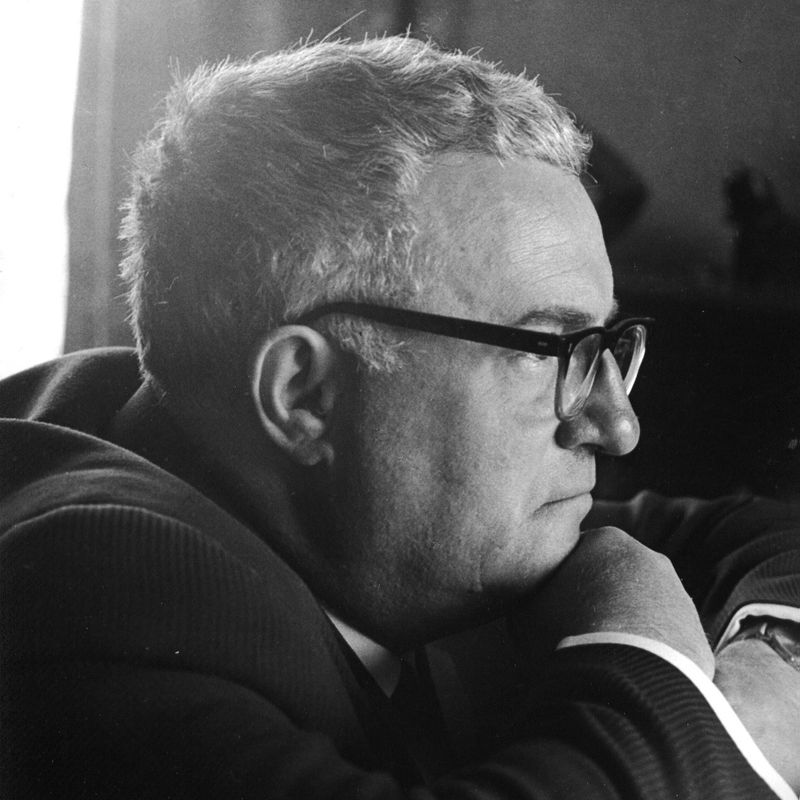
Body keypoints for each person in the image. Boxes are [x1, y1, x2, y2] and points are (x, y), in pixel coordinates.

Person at [1, 36, 799, 800]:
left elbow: (756, 536)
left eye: (604, 346)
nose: (617, 426)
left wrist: (764, 655)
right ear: (304, 395)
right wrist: (661, 664)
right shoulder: (102, 598)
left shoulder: (364, 511)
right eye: (548, 350)